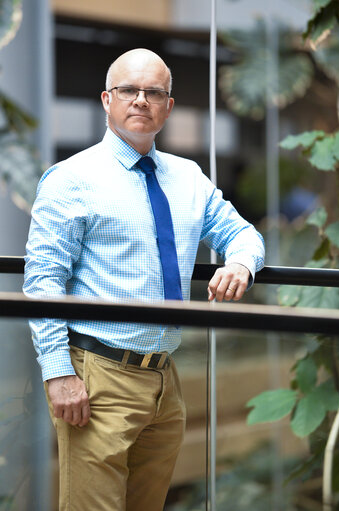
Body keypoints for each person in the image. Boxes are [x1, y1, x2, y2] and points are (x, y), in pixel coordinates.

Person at [23, 48, 265, 511]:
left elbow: (242, 233)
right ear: (106, 100)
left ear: (168, 106)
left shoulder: (187, 178)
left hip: (164, 383)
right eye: (128, 90)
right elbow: (43, 280)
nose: (140, 100)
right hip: (97, 379)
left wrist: (239, 264)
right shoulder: (71, 179)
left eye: (154, 92)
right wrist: (58, 372)